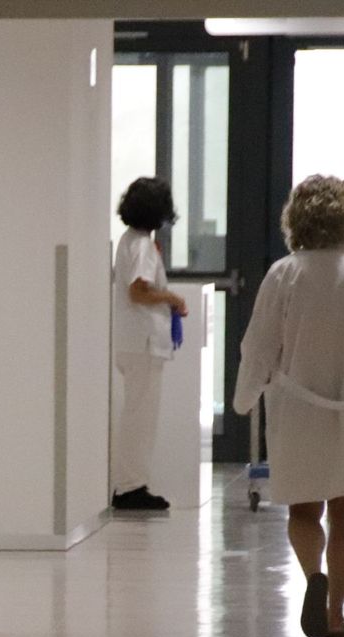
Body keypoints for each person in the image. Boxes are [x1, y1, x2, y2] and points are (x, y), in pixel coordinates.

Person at [233, 175, 344, 637]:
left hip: (299, 406)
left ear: (295, 220)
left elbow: (259, 346)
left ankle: (312, 577)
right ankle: (337, 612)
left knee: (303, 510)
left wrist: (245, 399)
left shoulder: (283, 273)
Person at [111, 177, 187, 512]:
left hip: (135, 341)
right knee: (141, 417)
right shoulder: (141, 244)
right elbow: (137, 290)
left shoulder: (133, 241)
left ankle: (132, 483)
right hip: (142, 342)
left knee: (138, 415)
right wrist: (170, 297)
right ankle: (130, 487)